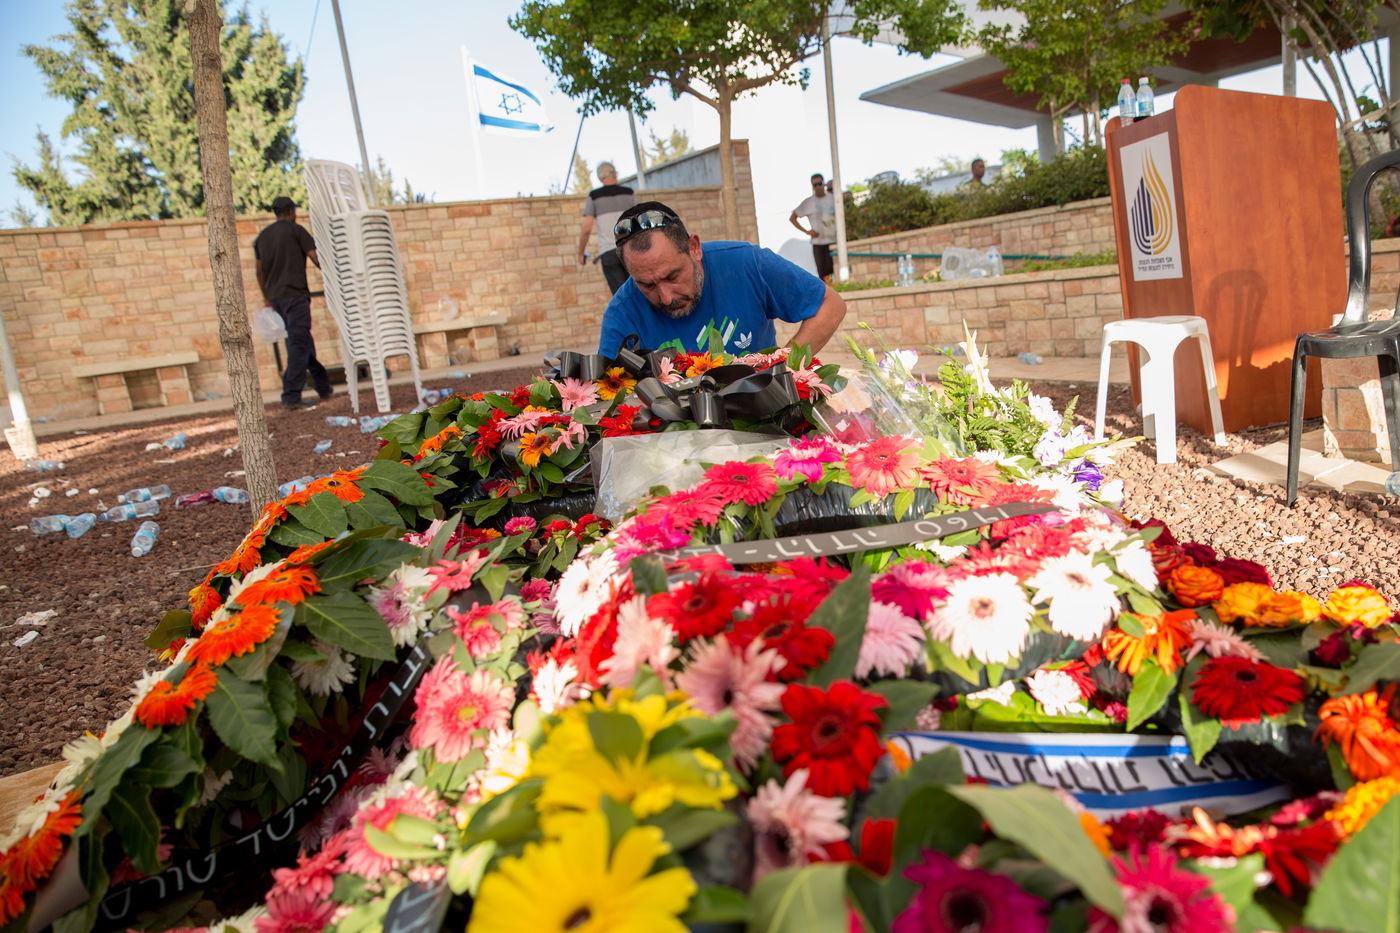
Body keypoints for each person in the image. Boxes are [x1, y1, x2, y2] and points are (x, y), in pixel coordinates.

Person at [597, 201, 846, 358]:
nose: (666, 297)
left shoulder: (747, 263)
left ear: (694, 248)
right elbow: (606, 393)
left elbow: (830, 305)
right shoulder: (621, 313)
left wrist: (779, 370)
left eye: (673, 276)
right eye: (646, 285)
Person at [254, 196, 332, 410]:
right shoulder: (297, 231)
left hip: (276, 298)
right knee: (298, 343)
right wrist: (337, 272)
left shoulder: (262, 237)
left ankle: (323, 385)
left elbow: (259, 271)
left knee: (301, 340)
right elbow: (316, 258)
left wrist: (267, 298)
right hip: (296, 296)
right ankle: (291, 395)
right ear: (290, 211)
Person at [577, 161, 637, 294]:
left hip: (609, 252)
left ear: (600, 177)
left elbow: (586, 229)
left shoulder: (594, 196)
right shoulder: (629, 193)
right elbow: (639, 220)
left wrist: (580, 253)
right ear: (614, 174)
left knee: (622, 298)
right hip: (631, 249)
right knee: (642, 293)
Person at [789, 172, 837, 281]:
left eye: (820, 184)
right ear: (812, 187)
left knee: (834, 270)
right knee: (823, 273)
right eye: (815, 185)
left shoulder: (833, 198)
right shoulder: (808, 202)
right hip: (818, 243)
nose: (818, 187)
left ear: (823, 184)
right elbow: (793, 218)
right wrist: (807, 231)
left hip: (834, 241)